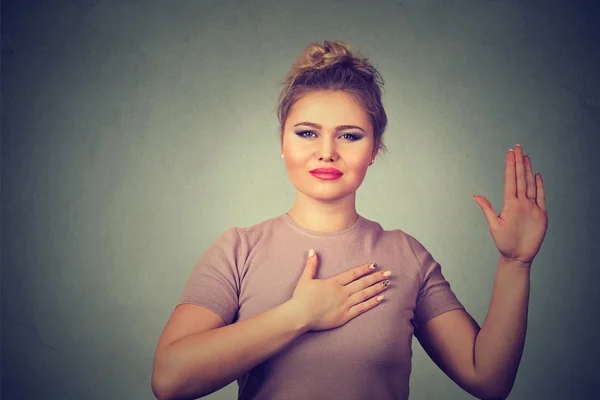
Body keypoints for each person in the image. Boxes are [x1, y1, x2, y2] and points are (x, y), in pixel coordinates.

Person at [151, 40, 546, 400]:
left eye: (350, 136)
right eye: (307, 133)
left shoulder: (405, 255)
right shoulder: (238, 249)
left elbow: (488, 379)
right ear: (282, 143)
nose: (326, 152)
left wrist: (516, 264)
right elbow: (169, 380)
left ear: (374, 149)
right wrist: (298, 315)